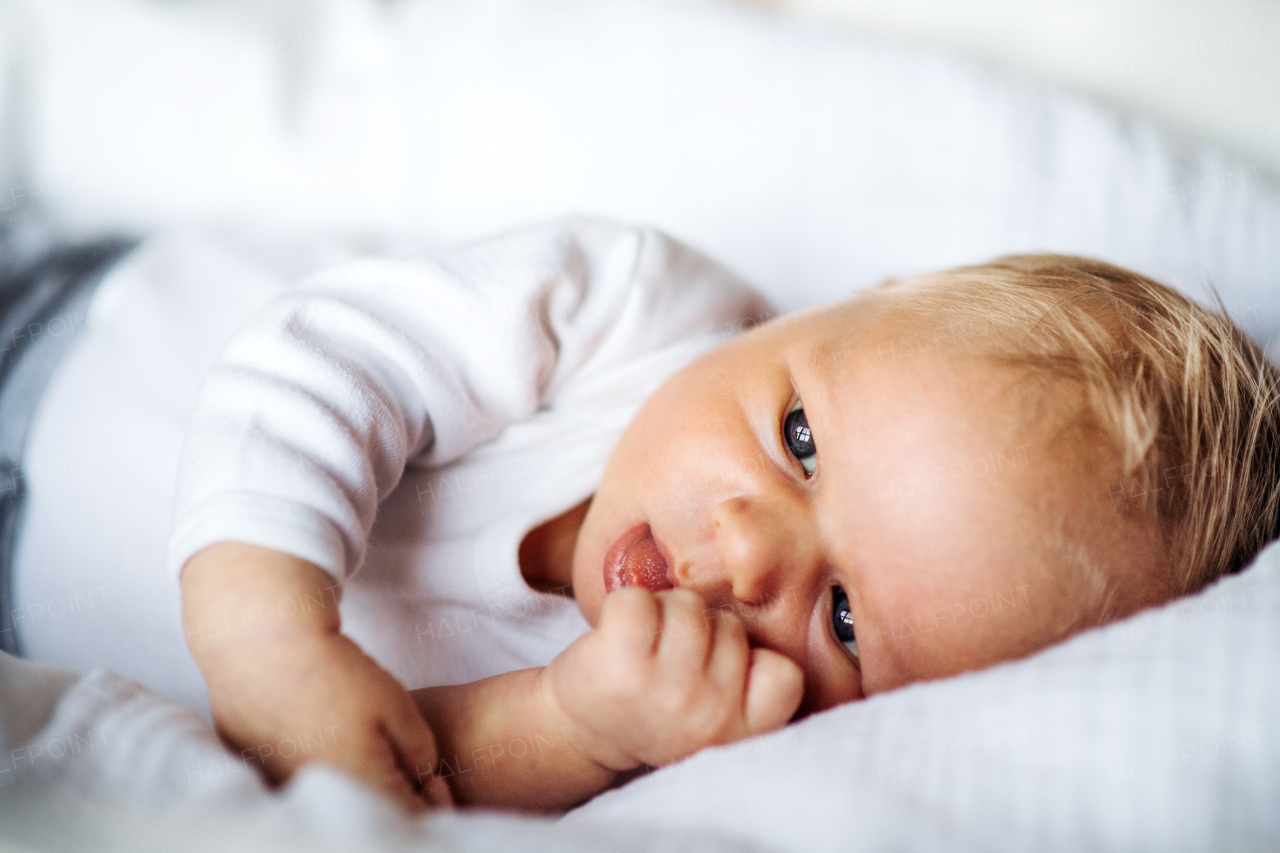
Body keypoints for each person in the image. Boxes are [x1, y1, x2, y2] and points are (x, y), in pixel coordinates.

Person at [16, 217, 1280, 813]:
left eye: (843, 616)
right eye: (797, 441)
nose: (738, 555)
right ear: (847, 297)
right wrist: (265, 636)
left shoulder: (684, 734)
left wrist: (571, 720)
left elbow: (391, 771)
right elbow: (326, 358)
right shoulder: (631, 310)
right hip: (59, 336)